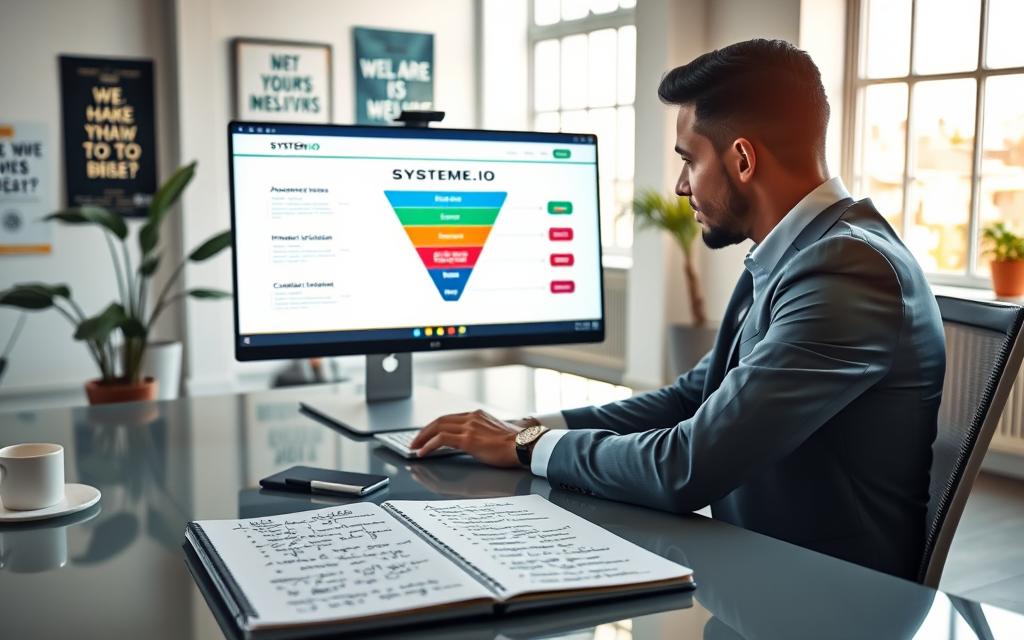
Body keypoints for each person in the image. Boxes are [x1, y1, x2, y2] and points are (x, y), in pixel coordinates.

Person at [410, 38, 946, 581]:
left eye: (689, 159)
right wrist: (526, 428)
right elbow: (693, 397)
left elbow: (686, 466)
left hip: (824, 595)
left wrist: (527, 447)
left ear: (742, 158)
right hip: (752, 567)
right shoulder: (793, 253)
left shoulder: (846, 271)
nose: (680, 185)